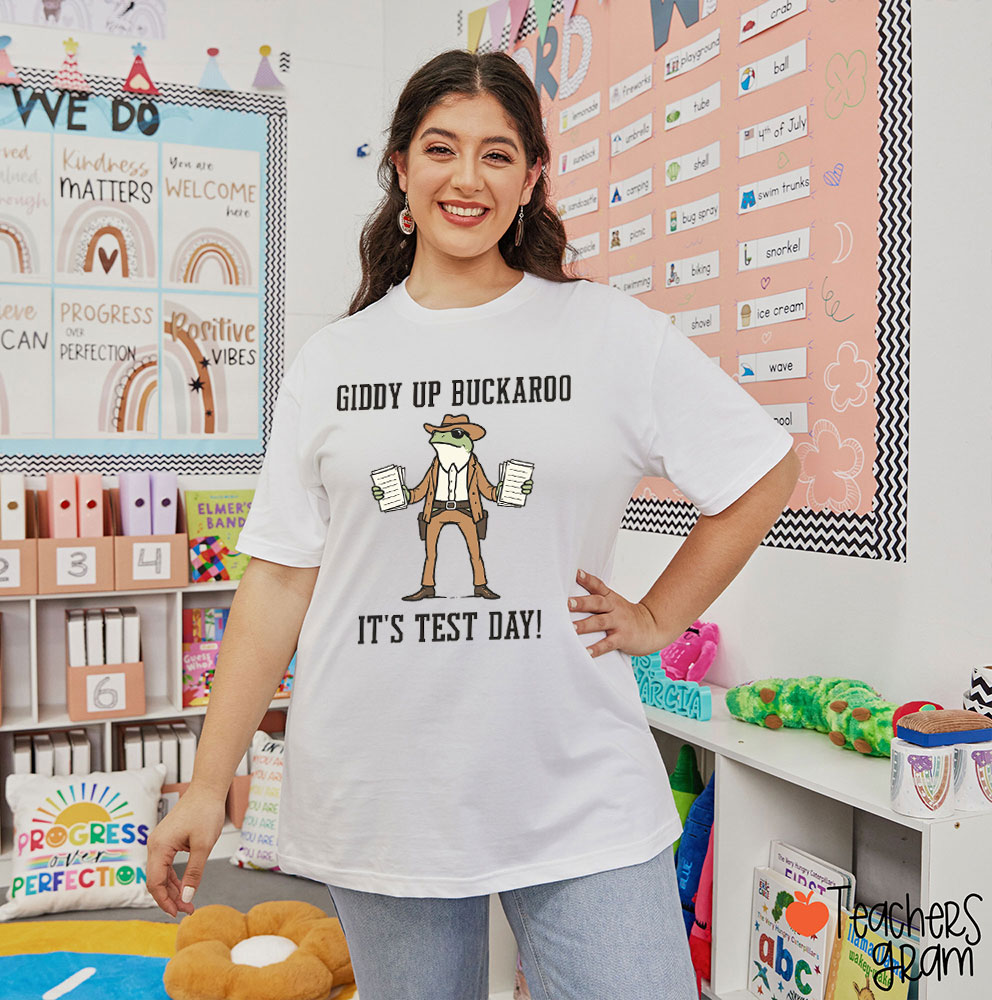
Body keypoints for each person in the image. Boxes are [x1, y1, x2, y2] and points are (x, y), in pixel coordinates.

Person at [146, 48, 799, 999]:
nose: (467, 177)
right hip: (385, 791)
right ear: (402, 169)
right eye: (441, 148)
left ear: (532, 177)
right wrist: (209, 783)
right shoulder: (332, 362)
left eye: (498, 155)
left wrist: (659, 618)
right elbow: (280, 580)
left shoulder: (609, 335)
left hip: (579, 788)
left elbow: (761, 469)